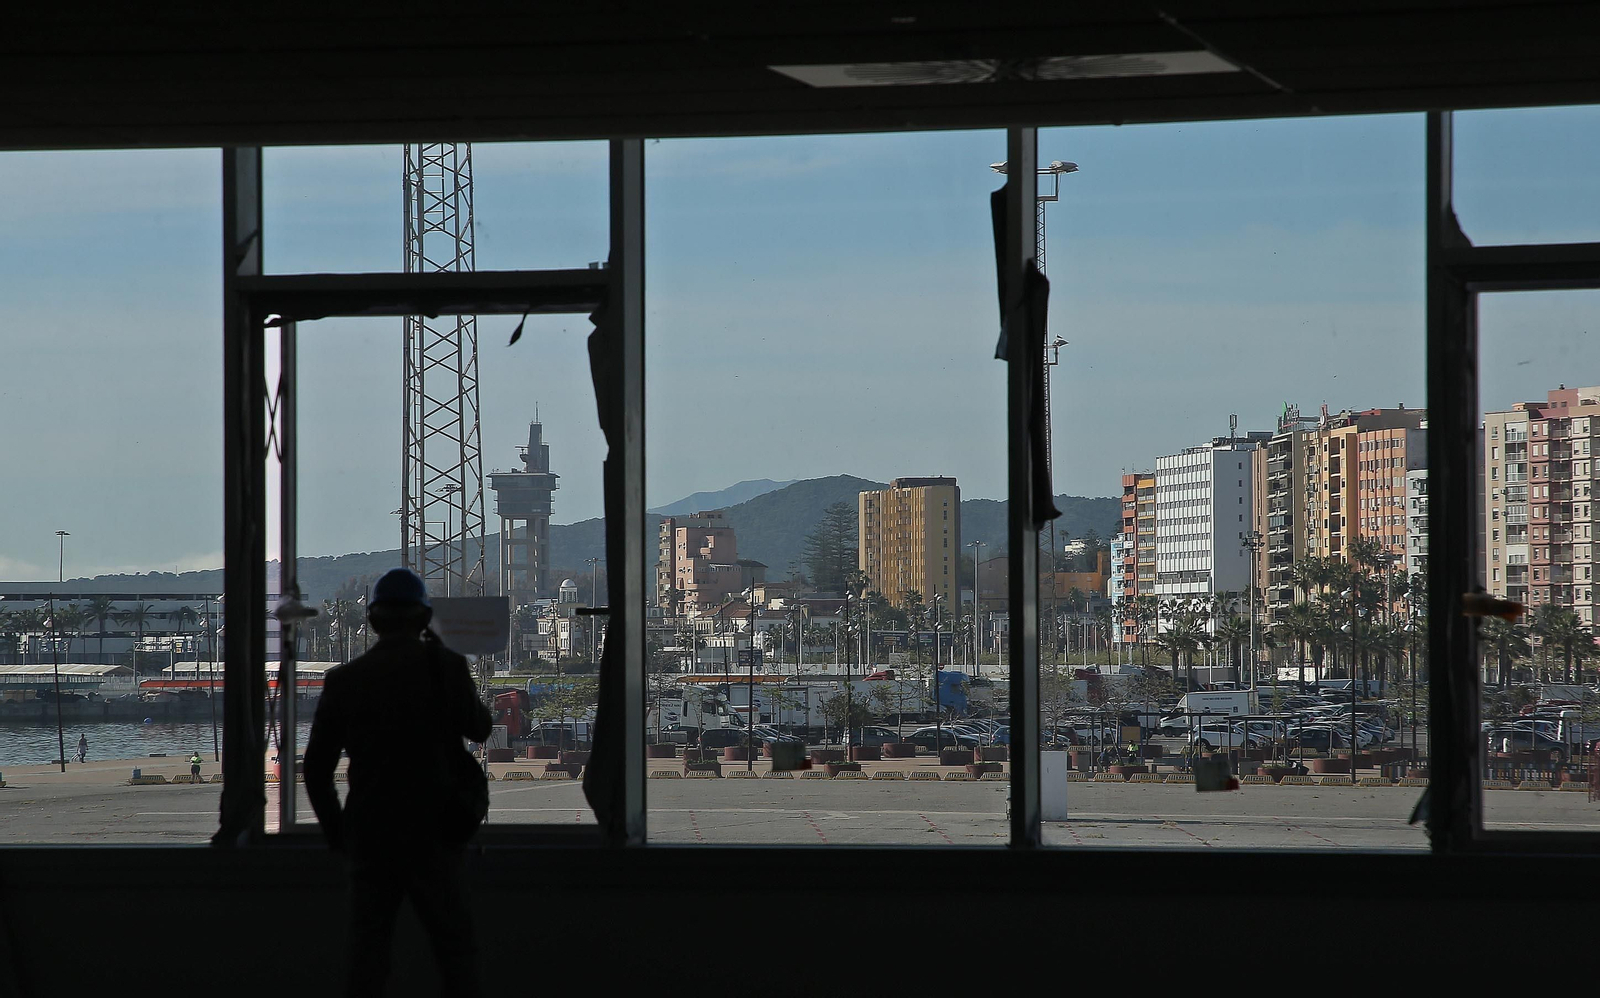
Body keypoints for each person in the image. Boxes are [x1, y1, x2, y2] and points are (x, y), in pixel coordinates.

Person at [304, 568, 491, 998]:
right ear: (424, 618)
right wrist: (446, 660)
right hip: (437, 829)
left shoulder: (345, 680)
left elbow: (316, 770)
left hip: (372, 831)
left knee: (367, 955)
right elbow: (480, 729)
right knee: (456, 953)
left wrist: (339, 834)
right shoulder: (445, 667)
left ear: (372, 620)